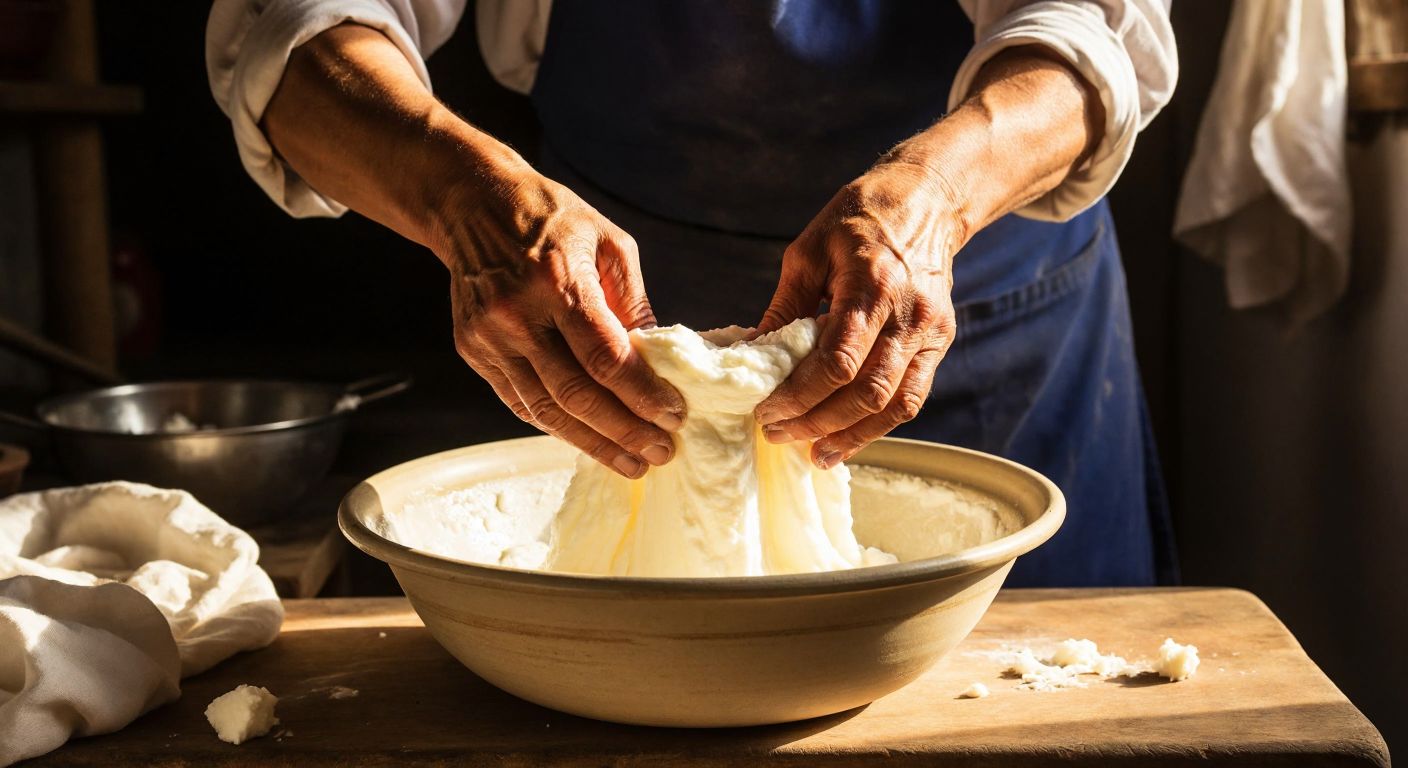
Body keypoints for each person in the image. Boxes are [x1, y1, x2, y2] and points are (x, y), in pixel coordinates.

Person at [207, 0, 1178, 586]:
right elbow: (288, 37)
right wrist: (464, 197)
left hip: (997, 322)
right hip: (615, 337)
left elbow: (1091, 34)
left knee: (1044, 701)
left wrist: (935, 200)